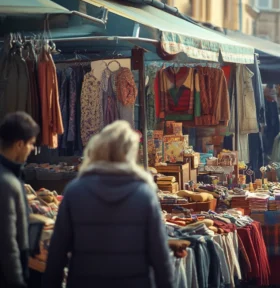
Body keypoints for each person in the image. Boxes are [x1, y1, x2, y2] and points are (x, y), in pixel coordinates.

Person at [43, 121, 174, 288]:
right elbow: (160, 257)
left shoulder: (74, 192)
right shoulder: (144, 194)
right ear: (129, 154)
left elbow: (56, 254)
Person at [0, 112, 40, 288]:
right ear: (19, 144)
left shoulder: (9, 176)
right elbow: (7, 243)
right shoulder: (6, 182)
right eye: (31, 143)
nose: (32, 148)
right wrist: (17, 281)